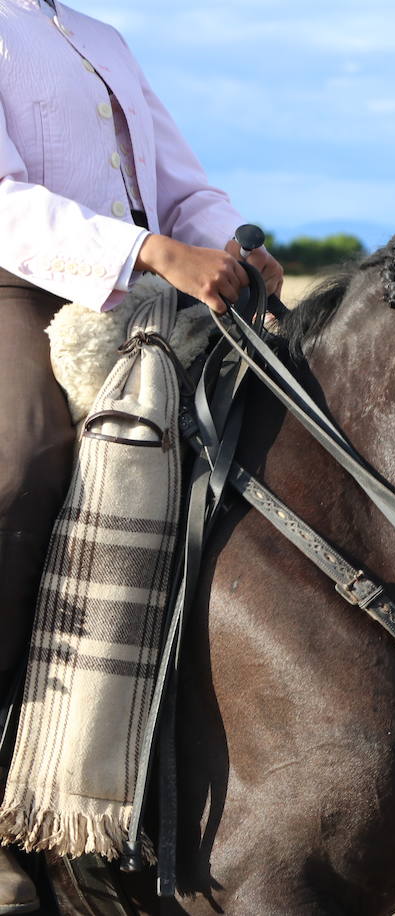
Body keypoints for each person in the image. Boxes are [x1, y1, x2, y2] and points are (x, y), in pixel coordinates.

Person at [1, 1, 283, 908]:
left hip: (139, 292)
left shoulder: (105, 40)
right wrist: (151, 252)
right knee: (24, 466)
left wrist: (234, 242)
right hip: (19, 288)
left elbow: (181, 183)